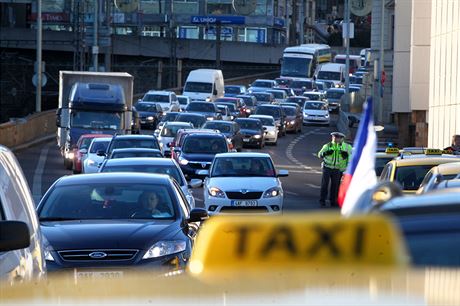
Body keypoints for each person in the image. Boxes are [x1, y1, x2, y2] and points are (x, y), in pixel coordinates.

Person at [317, 132, 353, 207]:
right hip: (327, 167)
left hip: (337, 169)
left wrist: (345, 157)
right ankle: (322, 201)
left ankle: (333, 201)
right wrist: (325, 153)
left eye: (338, 137)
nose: (335, 139)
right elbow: (319, 154)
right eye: (334, 137)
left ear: (342, 138)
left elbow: (350, 158)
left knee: (335, 186)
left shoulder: (346, 147)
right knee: (324, 185)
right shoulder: (328, 146)